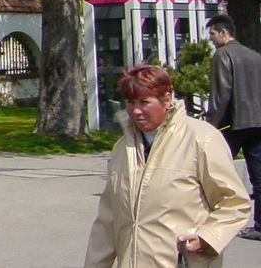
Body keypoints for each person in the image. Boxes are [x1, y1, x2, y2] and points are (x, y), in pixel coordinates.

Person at [84, 64, 249, 267]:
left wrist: (207, 238)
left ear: (167, 99)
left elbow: (234, 202)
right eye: (130, 102)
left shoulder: (201, 138)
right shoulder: (122, 148)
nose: (136, 110)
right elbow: (107, 222)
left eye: (144, 102)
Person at [205, 14, 261, 240]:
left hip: (234, 123)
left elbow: (221, 94)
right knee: (258, 175)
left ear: (223, 33)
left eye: (212, 34)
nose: (210, 39)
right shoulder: (254, 56)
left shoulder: (223, 54)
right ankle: (259, 226)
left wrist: (210, 126)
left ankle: (214, 220)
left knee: (216, 172)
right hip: (257, 122)